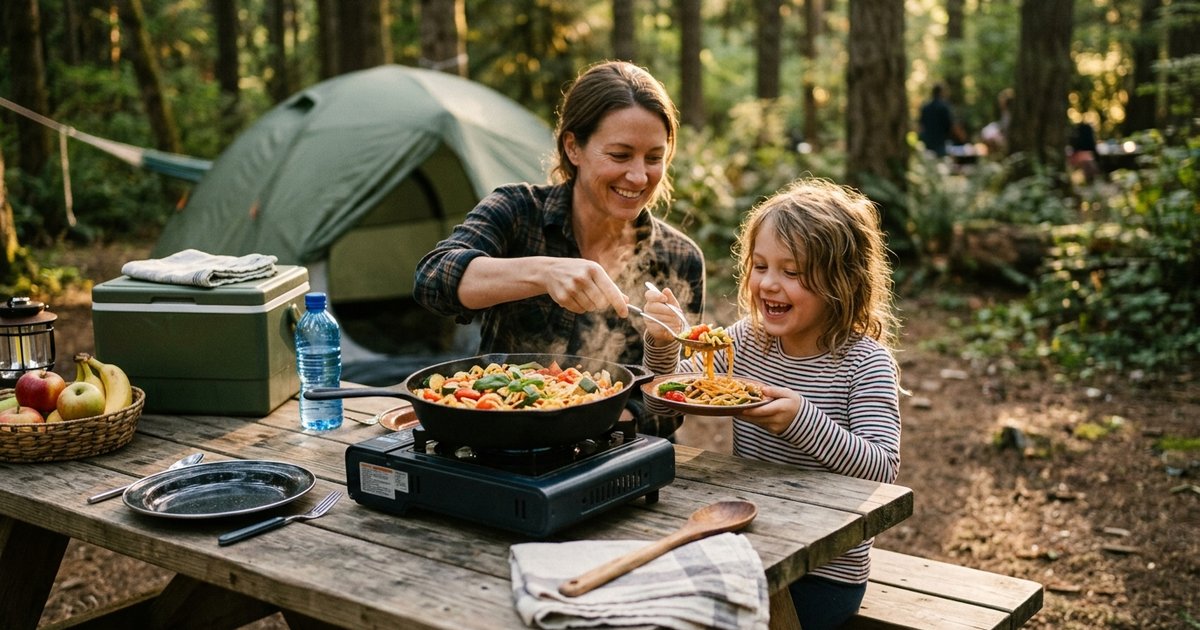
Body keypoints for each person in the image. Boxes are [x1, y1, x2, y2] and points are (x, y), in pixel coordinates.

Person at [641, 177, 902, 629]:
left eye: (792, 272)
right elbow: (667, 404)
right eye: (760, 266)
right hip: (749, 544)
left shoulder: (865, 363)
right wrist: (663, 344)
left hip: (826, 570)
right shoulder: (744, 341)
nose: (769, 284)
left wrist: (800, 419)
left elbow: (882, 468)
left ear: (842, 281)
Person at [413, 60, 706, 438]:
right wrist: (544, 273)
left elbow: (670, 409)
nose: (638, 176)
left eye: (654, 158)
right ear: (573, 148)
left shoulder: (679, 259)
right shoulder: (517, 212)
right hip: (502, 439)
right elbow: (432, 279)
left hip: (614, 451)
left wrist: (580, 411)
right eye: (619, 155)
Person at [918, 83, 954, 157]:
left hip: (928, 141)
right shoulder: (944, 107)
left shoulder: (925, 107)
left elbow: (921, 125)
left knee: (930, 163)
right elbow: (949, 125)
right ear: (941, 92)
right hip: (941, 141)